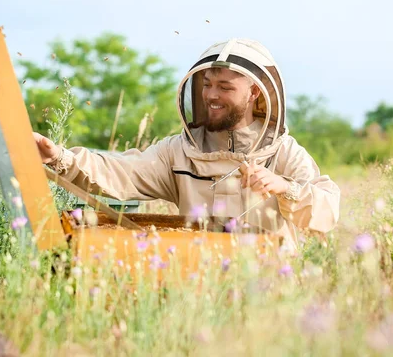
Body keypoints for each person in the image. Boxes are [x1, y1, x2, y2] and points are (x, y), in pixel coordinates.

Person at [33, 38, 340, 254]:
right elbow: (122, 170)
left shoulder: (283, 152)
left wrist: (284, 187)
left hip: (267, 293)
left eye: (225, 87)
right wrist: (59, 157)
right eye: (206, 85)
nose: (210, 96)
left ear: (255, 93)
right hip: (195, 286)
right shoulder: (179, 152)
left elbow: (326, 214)